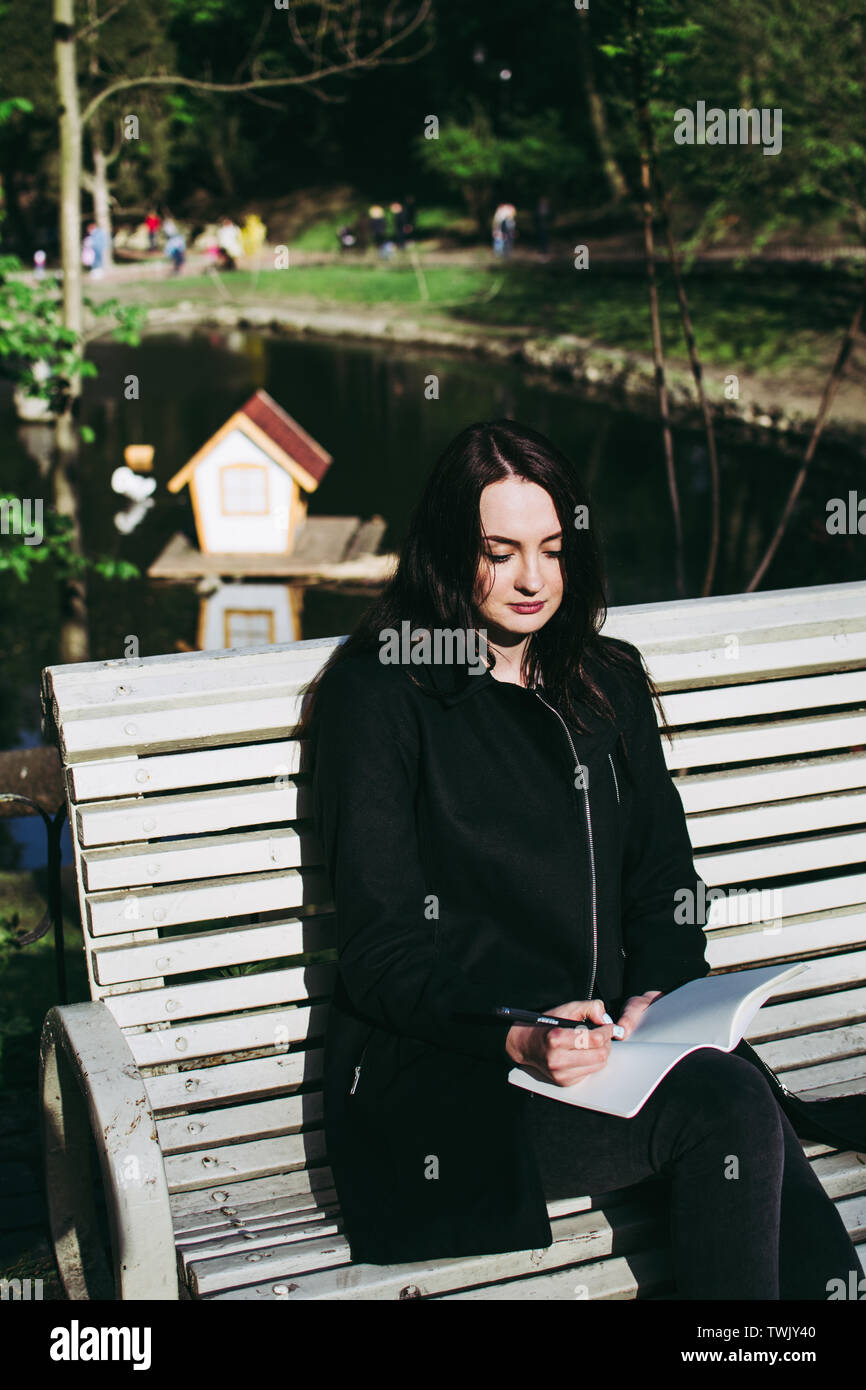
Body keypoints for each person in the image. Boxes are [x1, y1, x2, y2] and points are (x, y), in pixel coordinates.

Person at [298, 418, 862, 1297]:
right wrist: (519, 1033)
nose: (532, 579)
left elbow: (664, 881)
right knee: (731, 1105)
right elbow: (381, 956)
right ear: (449, 550)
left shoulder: (603, 679)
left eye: (552, 549)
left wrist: (660, 992)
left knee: (733, 1089)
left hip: (612, 1054)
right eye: (501, 550)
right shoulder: (384, 693)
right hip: (458, 1078)